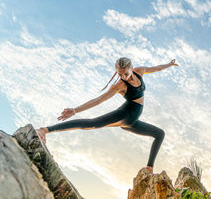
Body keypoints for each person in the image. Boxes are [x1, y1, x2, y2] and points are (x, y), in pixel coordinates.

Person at [36, 57, 178, 174]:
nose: (123, 77)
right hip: (125, 115)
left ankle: (149, 168)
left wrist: (169, 65)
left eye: (126, 73)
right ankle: (45, 130)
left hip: (132, 123)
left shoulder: (140, 71)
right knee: (91, 123)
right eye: (119, 74)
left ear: (132, 67)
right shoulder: (119, 86)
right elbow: (98, 100)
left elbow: (157, 67)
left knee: (160, 134)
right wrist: (74, 110)